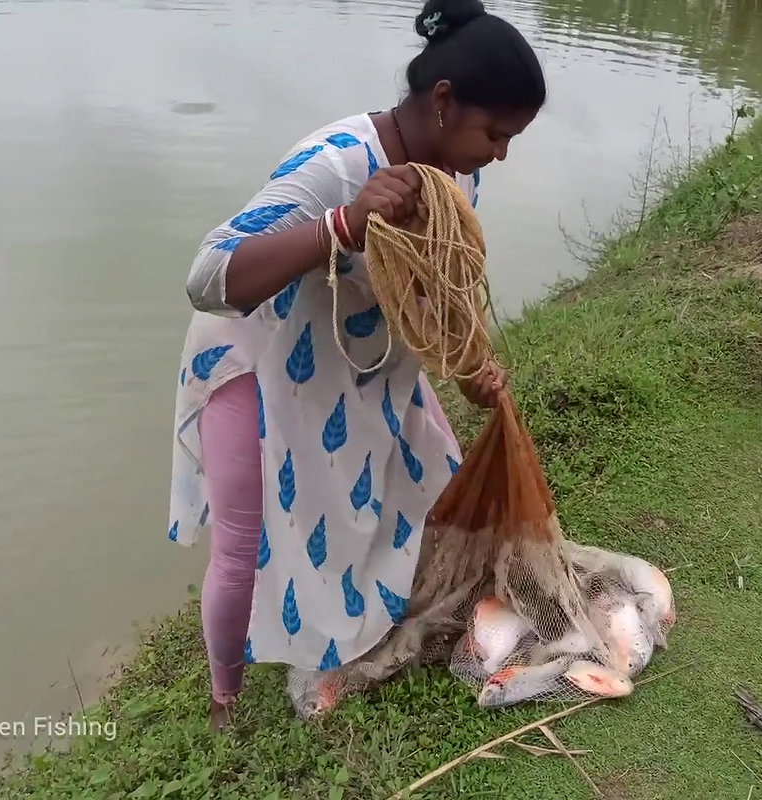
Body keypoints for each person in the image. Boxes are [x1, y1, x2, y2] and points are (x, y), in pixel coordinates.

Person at [165, 0, 547, 730]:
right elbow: (209, 276)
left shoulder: (454, 176)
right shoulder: (335, 165)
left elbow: (438, 286)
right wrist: (343, 223)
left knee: (424, 479)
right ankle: (224, 702)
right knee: (245, 547)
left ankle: (354, 624)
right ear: (443, 102)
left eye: (511, 139)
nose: (500, 153)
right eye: (495, 133)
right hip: (260, 365)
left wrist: (470, 367)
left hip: (359, 359)